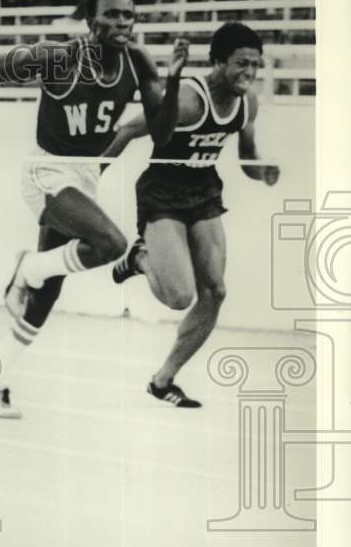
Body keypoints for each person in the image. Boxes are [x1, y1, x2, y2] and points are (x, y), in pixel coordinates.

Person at [0, 0, 189, 417]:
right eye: (111, 14)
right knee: (112, 245)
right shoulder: (61, 56)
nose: (121, 23)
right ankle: (27, 267)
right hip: (47, 171)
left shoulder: (136, 61)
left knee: (47, 294)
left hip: (83, 176)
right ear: (90, 18)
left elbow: (164, 132)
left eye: (127, 15)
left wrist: (172, 83)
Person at [105, 22, 279, 406]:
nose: (249, 73)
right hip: (163, 193)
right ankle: (140, 258)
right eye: (241, 64)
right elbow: (128, 131)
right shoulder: (188, 100)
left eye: (255, 65)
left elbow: (247, 159)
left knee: (215, 292)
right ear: (217, 62)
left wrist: (262, 171)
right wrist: (90, 173)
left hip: (203, 191)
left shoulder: (247, 103)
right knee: (180, 297)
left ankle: (164, 379)